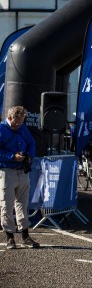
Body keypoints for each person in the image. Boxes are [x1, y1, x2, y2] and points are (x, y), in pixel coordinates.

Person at [0, 106, 39, 249]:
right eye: (16, 123)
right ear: (9, 118)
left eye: (21, 122)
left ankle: (25, 236)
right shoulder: (1, 129)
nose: (18, 125)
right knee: (7, 205)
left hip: (22, 170)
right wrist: (11, 156)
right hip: (7, 171)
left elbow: (31, 143)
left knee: (23, 204)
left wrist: (29, 155)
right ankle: (9, 237)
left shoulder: (23, 128)